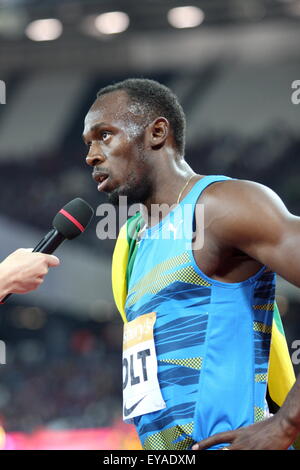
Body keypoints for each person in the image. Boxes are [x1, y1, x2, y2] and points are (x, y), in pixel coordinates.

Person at [83, 78, 300, 450]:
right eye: (88, 144)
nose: (91, 156)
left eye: (105, 136)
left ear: (157, 132)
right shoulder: (132, 241)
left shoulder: (221, 206)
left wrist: (286, 423)